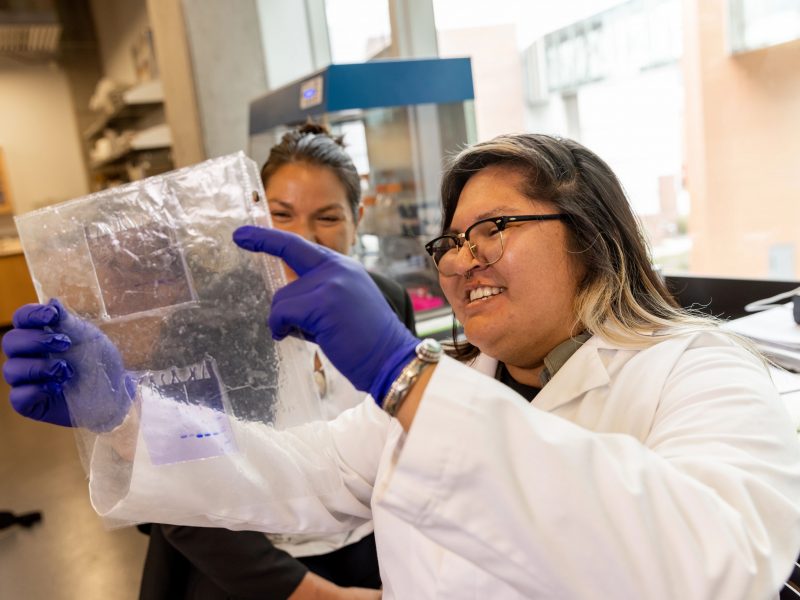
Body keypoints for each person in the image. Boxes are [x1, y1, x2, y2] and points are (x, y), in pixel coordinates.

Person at [5, 133, 800, 598]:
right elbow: (293, 472)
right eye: (452, 239)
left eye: (495, 225)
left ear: (592, 237)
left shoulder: (702, 373)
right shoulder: (464, 385)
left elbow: (716, 567)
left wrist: (403, 374)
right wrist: (124, 414)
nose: (463, 258)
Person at [5, 124, 415, 600]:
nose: (304, 236)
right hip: (253, 571)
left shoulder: (384, 301)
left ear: (356, 217)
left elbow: (395, 448)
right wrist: (126, 422)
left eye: (328, 217)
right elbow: (190, 497)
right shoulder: (204, 321)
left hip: (373, 556)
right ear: (254, 211)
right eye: (281, 213)